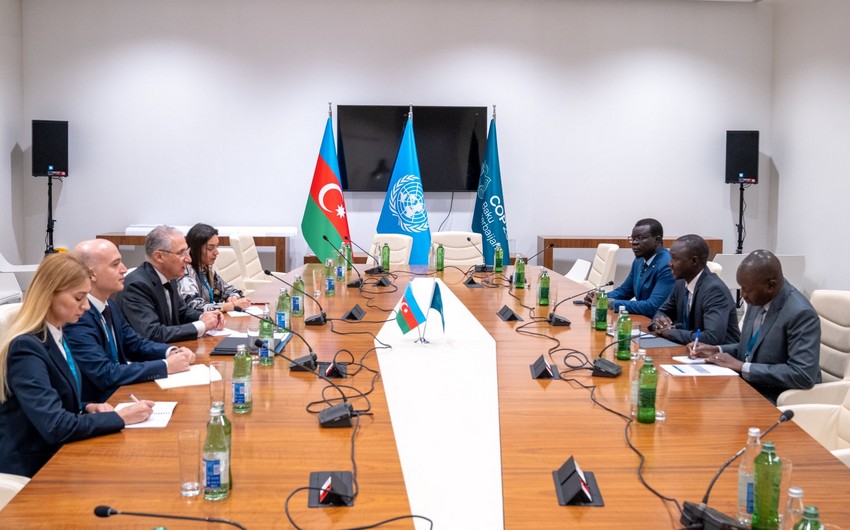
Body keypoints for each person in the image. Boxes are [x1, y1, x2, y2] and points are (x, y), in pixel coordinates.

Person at [0, 253, 154, 478]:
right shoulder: (26, 348)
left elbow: (52, 398)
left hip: (60, 452)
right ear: (49, 295)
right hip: (34, 468)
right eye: (79, 298)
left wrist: (86, 406)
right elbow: (54, 425)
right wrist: (122, 417)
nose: (87, 306)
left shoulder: (56, 335)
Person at [64, 239, 197, 403]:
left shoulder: (109, 305)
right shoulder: (78, 317)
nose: (124, 269)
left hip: (122, 393)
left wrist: (171, 352)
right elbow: (104, 373)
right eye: (115, 264)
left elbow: (135, 344)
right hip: (99, 404)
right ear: (91, 274)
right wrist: (165, 365)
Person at [695, 250, 821, 403]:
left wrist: (742, 367)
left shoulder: (800, 313)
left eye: (747, 289)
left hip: (776, 396)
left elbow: (802, 374)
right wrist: (718, 349)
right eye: (741, 288)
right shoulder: (759, 298)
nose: (743, 295)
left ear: (770, 285)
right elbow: (751, 349)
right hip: (748, 387)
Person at [116, 225, 224, 343]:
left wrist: (205, 317)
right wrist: (202, 325)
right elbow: (152, 334)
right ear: (159, 257)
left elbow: (182, 312)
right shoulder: (137, 286)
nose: (189, 259)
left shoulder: (169, 276)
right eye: (181, 253)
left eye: (187, 251)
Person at [651, 235, 740, 346]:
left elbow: (712, 338)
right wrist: (660, 322)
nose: (670, 263)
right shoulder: (681, 282)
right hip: (689, 348)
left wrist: (669, 333)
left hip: (718, 353)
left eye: (675, 259)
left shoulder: (714, 290)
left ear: (694, 261)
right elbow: (662, 312)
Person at [585, 218, 674, 317]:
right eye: (633, 238)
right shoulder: (639, 261)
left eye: (640, 238)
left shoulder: (667, 265)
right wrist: (600, 298)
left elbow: (653, 307)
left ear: (657, 240)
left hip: (659, 322)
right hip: (642, 318)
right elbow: (625, 291)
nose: (634, 242)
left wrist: (610, 304)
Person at [178, 223, 250, 313]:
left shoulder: (206, 269)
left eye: (217, 246)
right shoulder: (185, 273)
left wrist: (232, 297)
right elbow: (194, 307)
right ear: (195, 249)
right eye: (210, 248)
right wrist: (230, 306)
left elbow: (229, 290)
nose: (216, 252)